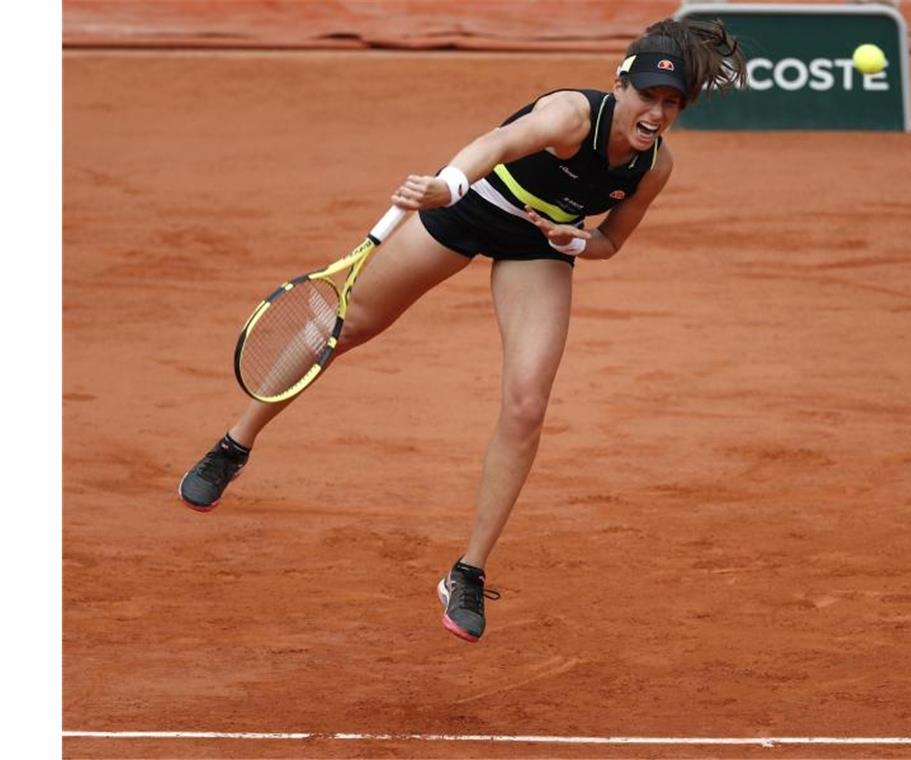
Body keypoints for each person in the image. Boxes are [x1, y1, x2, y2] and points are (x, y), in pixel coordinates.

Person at [179, 17, 746, 643]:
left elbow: (611, 240)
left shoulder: (655, 167)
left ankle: (467, 572)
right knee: (340, 324)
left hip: (537, 247)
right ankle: (234, 445)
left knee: (527, 404)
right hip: (469, 208)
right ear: (621, 83)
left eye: (672, 104)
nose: (657, 113)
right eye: (648, 96)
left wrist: (577, 240)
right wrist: (446, 185)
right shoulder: (570, 116)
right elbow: (493, 147)